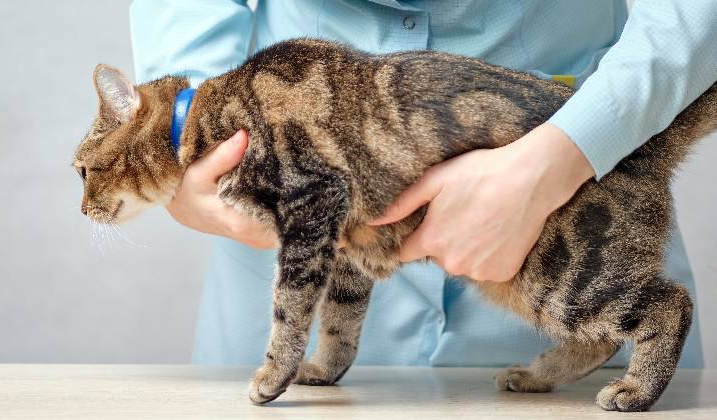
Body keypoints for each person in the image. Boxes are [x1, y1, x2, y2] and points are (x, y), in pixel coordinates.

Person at [130, 0, 715, 367]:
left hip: (572, 193)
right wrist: (196, 136)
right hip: (285, 195)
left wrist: (563, 153)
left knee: (608, 316)